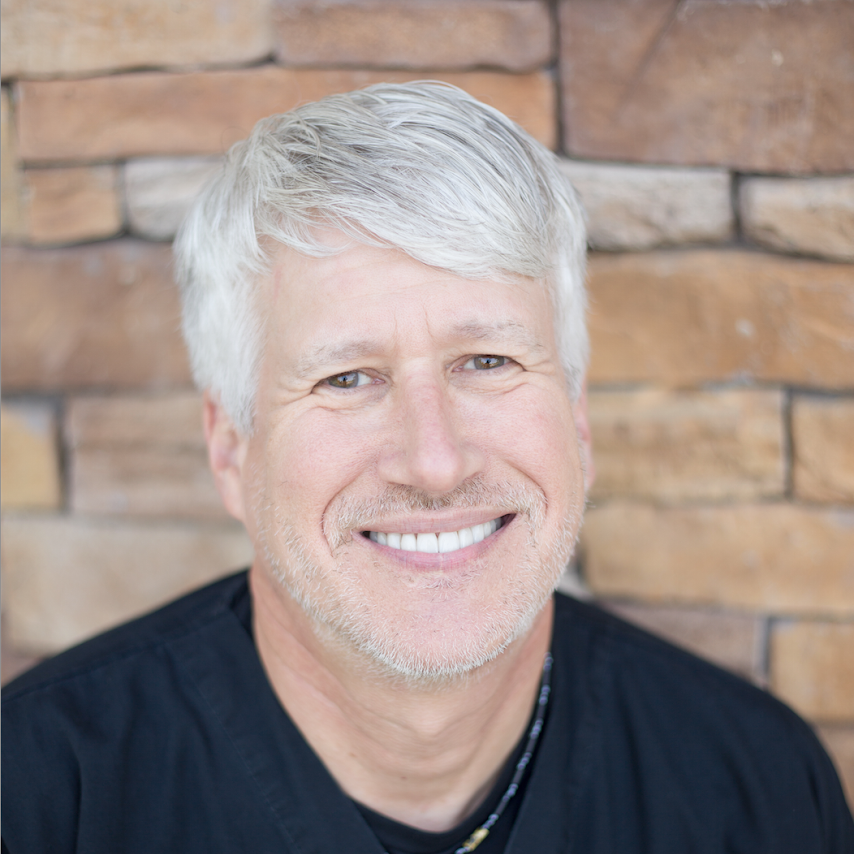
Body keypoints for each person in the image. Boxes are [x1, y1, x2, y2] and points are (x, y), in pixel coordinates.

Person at [2, 82, 851, 854]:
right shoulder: (43, 796)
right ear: (231, 448)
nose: (435, 462)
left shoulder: (760, 792)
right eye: (347, 378)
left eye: (486, 361)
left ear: (578, 420)